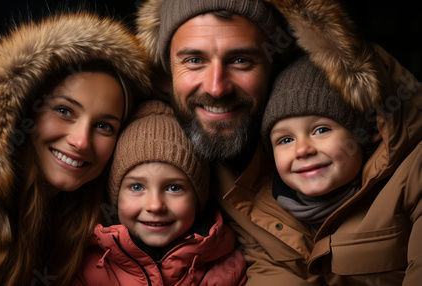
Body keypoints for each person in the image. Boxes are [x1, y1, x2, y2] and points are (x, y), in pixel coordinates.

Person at [135, 0, 422, 284]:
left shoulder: (409, 168)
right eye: (194, 60)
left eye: (241, 61)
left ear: (276, 65)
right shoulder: (165, 153)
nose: (216, 87)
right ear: (166, 71)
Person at [0, 11, 151, 285]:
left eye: (104, 126)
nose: (81, 141)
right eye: (64, 111)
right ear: (24, 112)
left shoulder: (96, 216)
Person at [256, 55, 421, 284]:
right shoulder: (266, 215)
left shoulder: (412, 175)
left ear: (366, 131)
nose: (302, 150)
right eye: (285, 140)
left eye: (321, 130)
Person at [74, 100, 247, 285]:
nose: (155, 206)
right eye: (137, 187)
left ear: (198, 200)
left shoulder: (227, 267)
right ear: (115, 198)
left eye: (174, 188)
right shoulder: (85, 265)